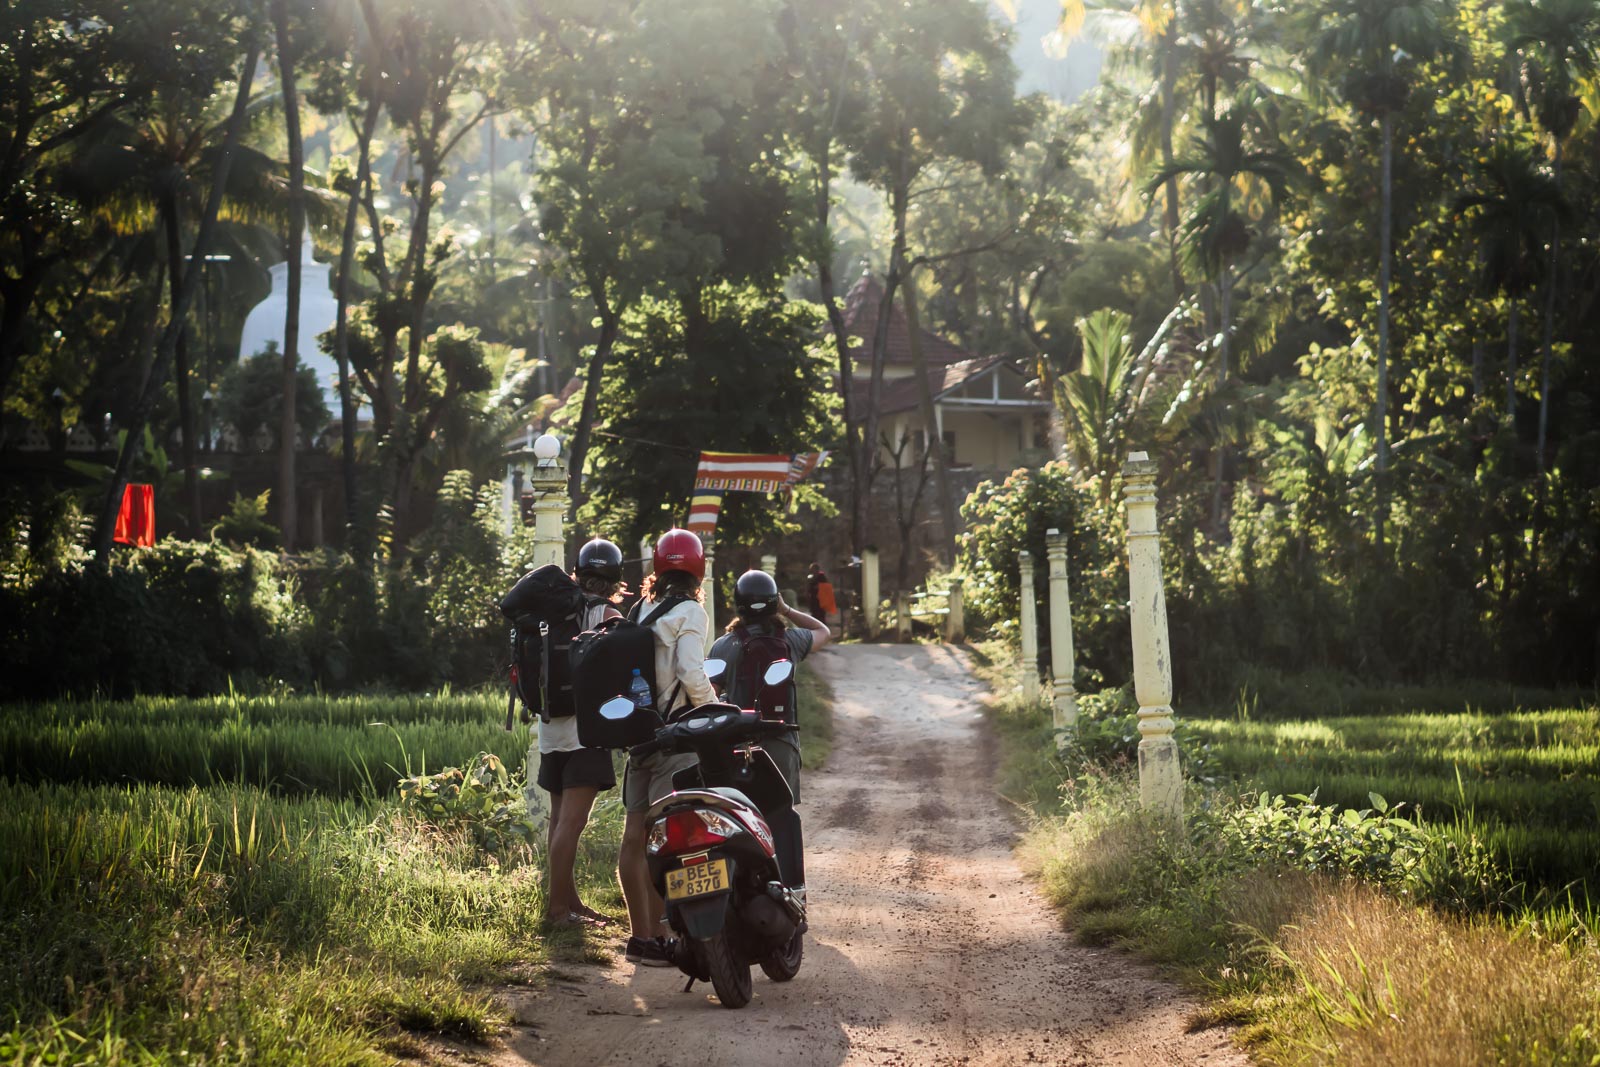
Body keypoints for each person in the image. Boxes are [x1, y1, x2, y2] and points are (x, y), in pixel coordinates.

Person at [617, 528, 717, 967]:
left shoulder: (642, 608)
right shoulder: (690, 613)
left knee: (634, 836)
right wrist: (716, 710)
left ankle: (640, 937)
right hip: (674, 735)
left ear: (657, 567)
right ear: (697, 569)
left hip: (637, 735)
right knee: (669, 839)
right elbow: (691, 673)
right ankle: (662, 933)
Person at [708, 569, 830, 901]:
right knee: (779, 816)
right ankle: (790, 893)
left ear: (739, 606)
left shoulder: (725, 645)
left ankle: (740, 893)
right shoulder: (790, 640)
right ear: (774, 603)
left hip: (737, 747)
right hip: (781, 745)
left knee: (740, 819)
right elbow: (822, 630)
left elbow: (709, 691)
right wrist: (788, 611)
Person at [538, 538, 625, 928]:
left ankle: (569, 901)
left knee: (560, 821)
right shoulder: (606, 613)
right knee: (572, 824)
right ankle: (557, 911)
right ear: (615, 577)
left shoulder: (555, 611)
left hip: (550, 729)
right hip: (584, 732)